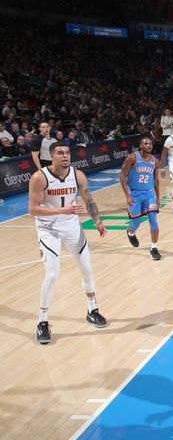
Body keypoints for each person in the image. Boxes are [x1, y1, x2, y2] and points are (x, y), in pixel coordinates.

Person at [27, 141, 108, 344]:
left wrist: (97, 220)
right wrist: (60, 211)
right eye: (60, 153)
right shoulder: (39, 177)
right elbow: (33, 209)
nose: (65, 156)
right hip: (48, 228)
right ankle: (42, 322)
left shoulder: (77, 175)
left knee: (87, 269)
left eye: (67, 152)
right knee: (52, 274)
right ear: (52, 156)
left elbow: (88, 199)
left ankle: (92, 310)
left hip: (71, 225)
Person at [121, 135, 162, 261]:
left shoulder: (155, 160)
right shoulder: (132, 158)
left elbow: (156, 180)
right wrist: (127, 195)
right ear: (141, 145)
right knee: (136, 222)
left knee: (153, 220)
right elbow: (122, 176)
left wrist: (158, 197)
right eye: (146, 143)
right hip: (134, 194)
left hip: (149, 194)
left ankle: (154, 248)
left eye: (150, 143)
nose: (148, 145)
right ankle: (130, 232)